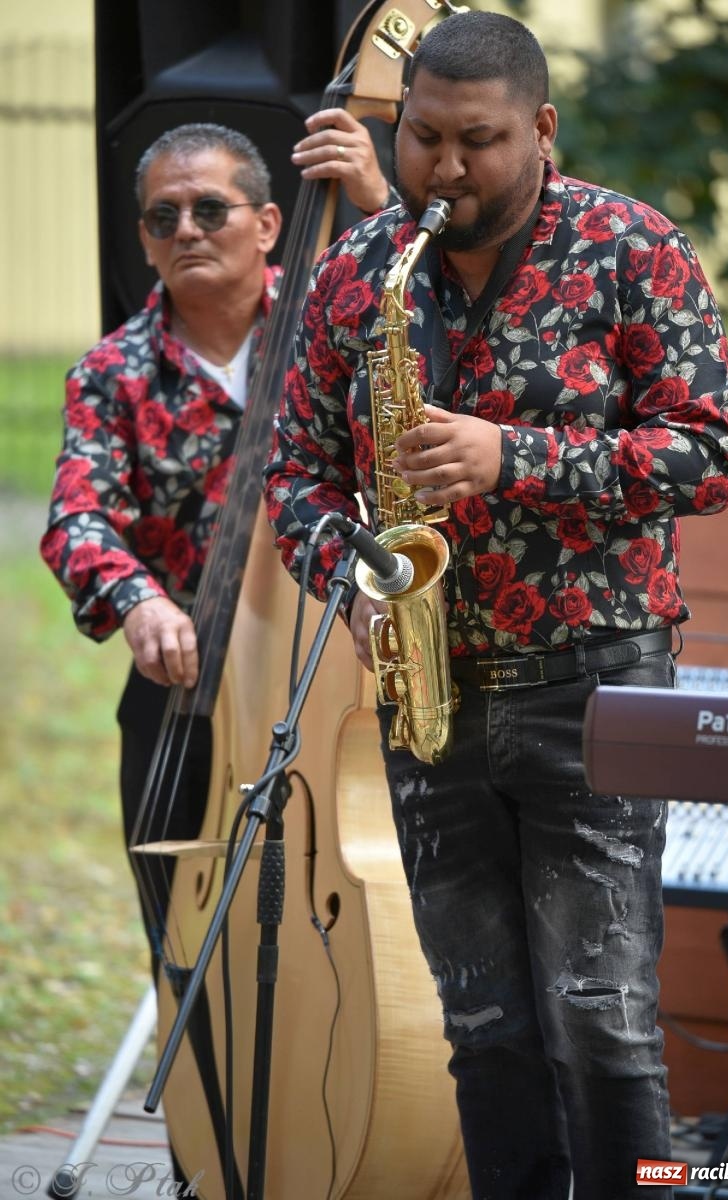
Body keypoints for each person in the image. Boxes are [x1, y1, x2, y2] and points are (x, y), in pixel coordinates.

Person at [264, 11, 728, 1200]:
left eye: (476, 142)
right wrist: (361, 577)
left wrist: (513, 456)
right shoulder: (360, 270)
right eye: (422, 136)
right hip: (434, 690)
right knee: (482, 1023)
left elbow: (707, 454)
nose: (442, 169)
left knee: (603, 1016)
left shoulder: (632, 248)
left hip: (598, 680)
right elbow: (296, 479)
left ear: (541, 129)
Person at [40, 114, 392, 948]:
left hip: (332, 665)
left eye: (209, 209)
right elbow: (76, 514)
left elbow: (437, 324)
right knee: (182, 923)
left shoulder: (332, 324)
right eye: (164, 218)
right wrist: (139, 601)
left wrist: (379, 205)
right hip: (186, 686)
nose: (186, 230)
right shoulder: (111, 373)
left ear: (268, 225)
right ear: (145, 241)